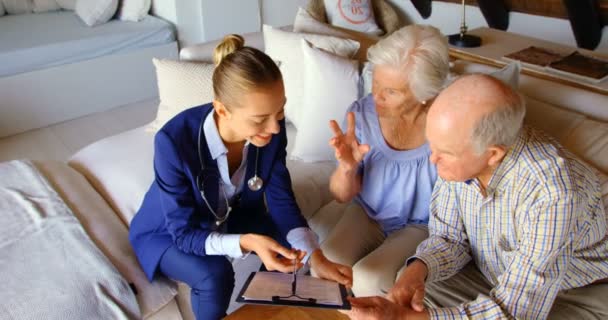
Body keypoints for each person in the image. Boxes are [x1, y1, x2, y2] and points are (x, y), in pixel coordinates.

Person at [345, 74, 608, 320]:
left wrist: (407, 318)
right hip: (493, 273)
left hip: (574, 292)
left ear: (493, 154)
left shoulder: (554, 194)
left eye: (444, 153)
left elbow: (516, 310)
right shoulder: (460, 156)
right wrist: (417, 269)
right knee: (403, 288)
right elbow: (449, 237)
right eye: (432, 145)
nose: (432, 159)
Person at [128, 34, 352, 320]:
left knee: (295, 253)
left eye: (280, 110)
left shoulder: (272, 127)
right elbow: (184, 235)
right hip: (168, 233)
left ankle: (272, 310)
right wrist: (246, 241)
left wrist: (316, 259)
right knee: (215, 274)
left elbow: (282, 201)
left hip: (234, 216)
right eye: (260, 119)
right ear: (222, 109)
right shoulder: (172, 142)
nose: (273, 127)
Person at [321, 24, 449, 296]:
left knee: (370, 277)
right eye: (375, 83)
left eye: (391, 91)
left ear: (425, 95)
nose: (376, 97)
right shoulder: (362, 115)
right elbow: (342, 196)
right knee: (328, 264)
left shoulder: (447, 125)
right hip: (367, 212)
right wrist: (347, 168)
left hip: (421, 225)